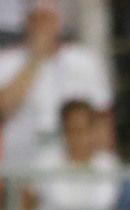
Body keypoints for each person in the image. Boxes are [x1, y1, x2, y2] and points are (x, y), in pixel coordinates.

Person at [0, 1, 110, 168]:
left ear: (58, 22)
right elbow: (4, 106)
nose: (42, 28)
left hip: (72, 166)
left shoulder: (84, 60)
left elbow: (102, 118)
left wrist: (102, 163)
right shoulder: (6, 60)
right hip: (22, 165)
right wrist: (35, 58)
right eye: (36, 21)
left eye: (47, 20)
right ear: (26, 23)